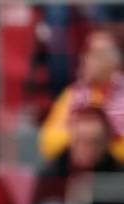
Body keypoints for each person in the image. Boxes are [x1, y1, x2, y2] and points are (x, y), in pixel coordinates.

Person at [39, 30, 124, 163]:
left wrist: (101, 140)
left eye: (97, 55)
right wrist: (85, 137)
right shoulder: (73, 93)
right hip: (78, 174)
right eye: (87, 53)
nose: (87, 59)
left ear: (116, 61)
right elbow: (49, 143)